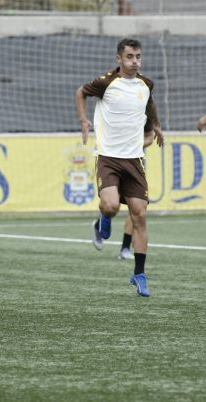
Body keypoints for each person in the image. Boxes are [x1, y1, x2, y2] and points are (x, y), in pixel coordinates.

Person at [75, 38, 164, 297]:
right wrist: (83, 120)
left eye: (138, 56)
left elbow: (150, 103)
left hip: (134, 159)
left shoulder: (146, 84)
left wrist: (157, 126)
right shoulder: (106, 82)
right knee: (112, 206)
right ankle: (102, 218)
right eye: (129, 57)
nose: (135, 61)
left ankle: (139, 274)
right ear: (119, 59)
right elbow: (80, 92)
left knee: (140, 215)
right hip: (108, 157)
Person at [118, 126, 154, 260]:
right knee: (112, 204)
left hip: (136, 164)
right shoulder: (115, 117)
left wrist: (134, 146)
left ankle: (125, 247)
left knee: (135, 208)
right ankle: (101, 222)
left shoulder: (143, 117)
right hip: (114, 162)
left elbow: (150, 137)